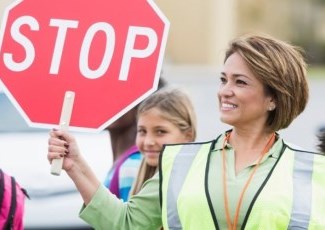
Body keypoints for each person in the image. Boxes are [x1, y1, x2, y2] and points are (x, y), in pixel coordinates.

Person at [47, 33, 325, 229]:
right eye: (223, 79)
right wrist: (76, 165)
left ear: (273, 98)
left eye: (240, 82)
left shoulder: (313, 171)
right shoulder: (180, 162)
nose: (224, 91)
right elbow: (127, 224)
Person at [103, 78, 167, 201]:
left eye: (118, 95)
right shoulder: (129, 161)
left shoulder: (134, 165)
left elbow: (129, 220)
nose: (107, 101)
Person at [129, 88, 196, 196]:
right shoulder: (131, 174)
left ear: (188, 136)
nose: (148, 142)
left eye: (160, 132)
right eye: (142, 131)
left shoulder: (193, 186)